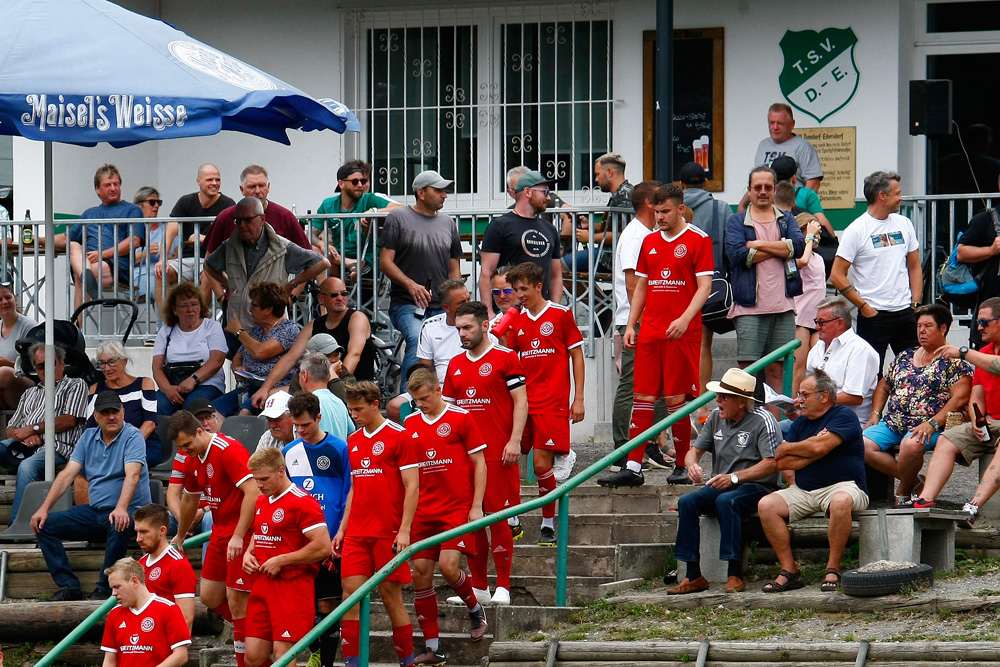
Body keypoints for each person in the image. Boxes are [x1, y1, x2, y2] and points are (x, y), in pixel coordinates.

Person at [599, 183, 713, 489]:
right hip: (650, 330)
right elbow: (641, 287)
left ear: (679, 209)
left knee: (677, 399)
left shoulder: (698, 239)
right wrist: (632, 325)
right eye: (656, 211)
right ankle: (633, 466)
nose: (659, 217)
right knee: (642, 397)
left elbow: (704, 287)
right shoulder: (648, 241)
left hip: (681, 332)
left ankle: (680, 465)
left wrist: (685, 318)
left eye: (665, 211)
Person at [442, 300, 527, 606]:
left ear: (485, 326)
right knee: (471, 519)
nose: (462, 334)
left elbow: (521, 401)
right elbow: (448, 412)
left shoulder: (506, 358)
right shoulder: (454, 364)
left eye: (467, 327)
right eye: (458, 329)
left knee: (498, 517)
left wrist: (514, 440)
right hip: (465, 457)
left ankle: (502, 585)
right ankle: (479, 586)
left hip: (498, 453)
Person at [667, 368, 780, 595]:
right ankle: (693, 574)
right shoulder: (716, 418)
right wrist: (693, 465)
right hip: (722, 483)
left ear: (741, 402)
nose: (717, 400)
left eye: (723, 397)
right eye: (718, 395)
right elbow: (693, 452)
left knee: (727, 501)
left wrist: (735, 477)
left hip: (759, 486)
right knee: (687, 502)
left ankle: (735, 572)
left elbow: (773, 463)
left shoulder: (763, 419)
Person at [31, 390, 152, 601]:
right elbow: (68, 473)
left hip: (130, 511)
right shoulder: (88, 436)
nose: (111, 416)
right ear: (96, 417)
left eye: (115, 411)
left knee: (118, 522)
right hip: (95, 511)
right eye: (105, 412)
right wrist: (43, 509)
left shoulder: (133, 436)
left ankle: (104, 588)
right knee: (44, 524)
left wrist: (122, 507)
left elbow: (133, 475)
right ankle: (69, 587)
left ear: (123, 412)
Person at [404, 367, 489, 665]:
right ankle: (433, 647)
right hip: (423, 511)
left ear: (438, 390)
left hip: (455, 508)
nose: (420, 404)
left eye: (424, 398)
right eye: (415, 400)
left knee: (449, 567)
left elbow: (480, 462)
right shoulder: (410, 422)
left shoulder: (460, 417)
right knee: (420, 575)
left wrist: (476, 505)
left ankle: (475, 608)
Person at [757, 370, 869, 593]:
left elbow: (817, 447)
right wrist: (811, 447)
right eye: (799, 394)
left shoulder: (843, 415)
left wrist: (798, 447)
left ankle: (833, 568)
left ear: (824, 396)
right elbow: (783, 460)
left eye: (804, 395)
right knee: (766, 505)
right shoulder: (800, 424)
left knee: (840, 501)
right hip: (804, 489)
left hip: (845, 485)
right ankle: (790, 571)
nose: (798, 400)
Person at [336, 381, 419, 667]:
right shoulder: (354, 440)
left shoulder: (400, 436)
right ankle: (353, 664)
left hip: (388, 532)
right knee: (350, 597)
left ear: (375, 404)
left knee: (390, 597)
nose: (354, 415)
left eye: (358, 409)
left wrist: (405, 529)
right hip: (358, 532)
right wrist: (343, 528)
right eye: (350, 410)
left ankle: (406, 662)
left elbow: (412, 486)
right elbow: (355, 487)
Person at [168, 410, 260, 667]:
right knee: (208, 596)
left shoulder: (229, 449)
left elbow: (253, 492)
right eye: (180, 447)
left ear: (200, 431)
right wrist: (180, 536)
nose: (186, 451)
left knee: (236, 600)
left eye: (187, 444)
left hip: (244, 532)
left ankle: (251, 656)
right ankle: (261, 631)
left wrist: (239, 536)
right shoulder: (190, 457)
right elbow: (189, 500)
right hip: (221, 531)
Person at [506, 262, 585, 546]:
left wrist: (578, 398)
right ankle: (512, 516)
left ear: (539, 286)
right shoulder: (517, 320)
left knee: (540, 464)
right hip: (522, 403)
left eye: (523, 288)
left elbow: (576, 355)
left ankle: (548, 522)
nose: (519, 294)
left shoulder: (561, 315)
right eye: (515, 290)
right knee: (508, 457)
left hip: (552, 402)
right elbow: (508, 357)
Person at [863, 305, 973, 504]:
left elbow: (961, 398)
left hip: (930, 424)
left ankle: (903, 490)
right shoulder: (905, 356)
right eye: (919, 326)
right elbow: (883, 386)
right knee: (861, 445)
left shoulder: (955, 362)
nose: (921, 331)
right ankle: (915, 482)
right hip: (894, 422)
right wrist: (876, 413)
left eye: (928, 326)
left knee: (911, 445)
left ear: (943, 328)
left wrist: (931, 423)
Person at [242, 447, 330, 667]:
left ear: (281, 471)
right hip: (263, 583)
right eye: (255, 480)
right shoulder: (263, 500)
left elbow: (323, 547)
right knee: (252, 656)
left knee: (284, 654)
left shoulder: (302, 502)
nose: (259, 485)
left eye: (264, 478)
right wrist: (249, 553)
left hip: (292, 585)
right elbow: (261, 531)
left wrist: (282, 560)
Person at [204, 196, 328, 350]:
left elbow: (322, 263)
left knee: (268, 366)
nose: (242, 225)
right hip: (238, 320)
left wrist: (292, 285)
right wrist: (229, 285)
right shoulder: (229, 246)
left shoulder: (282, 247)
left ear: (262, 219)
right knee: (240, 368)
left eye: (248, 220)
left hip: (271, 325)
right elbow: (208, 265)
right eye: (238, 221)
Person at [912, 298, 1000, 516]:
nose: (978, 327)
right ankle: (925, 500)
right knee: (947, 438)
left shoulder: (977, 355)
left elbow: (997, 366)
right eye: (977, 322)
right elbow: (976, 394)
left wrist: (963, 352)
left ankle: (973, 507)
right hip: (991, 421)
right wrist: (976, 418)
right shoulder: (985, 351)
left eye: (984, 322)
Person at [282, 392, 351, 667]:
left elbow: (348, 495)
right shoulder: (289, 452)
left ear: (319, 418)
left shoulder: (339, 449)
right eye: (296, 426)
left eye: (306, 425)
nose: (301, 431)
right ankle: (316, 651)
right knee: (302, 605)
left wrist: (339, 534)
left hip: (330, 541)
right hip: (298, 544)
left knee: (327, 605)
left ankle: (327, 663)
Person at [725, 166, 805, 404]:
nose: (762, 192)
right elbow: (738, 255)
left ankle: (776, 431)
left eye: (767, 187)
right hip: (749, 308)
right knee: (746, 374)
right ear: (748, 191)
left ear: (775, 190)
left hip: (783, 307)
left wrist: (757, 243)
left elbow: (798, 248)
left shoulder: (787, 219)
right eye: (757, 187)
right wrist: (781, 248)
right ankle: (745, 432)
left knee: (778, 372)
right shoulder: (737, 221)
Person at [831, 171, 922, 370]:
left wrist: (915, 303)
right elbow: (837, 275)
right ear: (882, 195)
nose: (901, 198)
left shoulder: (904, 223)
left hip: (905, 312)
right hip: (874, 315)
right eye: (897, 193)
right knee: (870, 375)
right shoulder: (856, 230)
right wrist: (863, 307)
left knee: (915, 371)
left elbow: (914, 266)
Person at [379, 169, 463, 386]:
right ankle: (410, 402)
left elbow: (454, 267)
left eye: (445, 191)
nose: (445, 195)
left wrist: (460, 297)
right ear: (421, 193)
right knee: (418, 340)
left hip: (443, 304)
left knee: (460, 340)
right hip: (407, 304)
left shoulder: (448, 223)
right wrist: (411, 285)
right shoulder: (398, 217)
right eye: (439, 190)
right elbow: (385, 262)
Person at [253, 275, 376, 409]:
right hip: (320, 385)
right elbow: (290, 358)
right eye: (334, 295)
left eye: (344, 293)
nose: (340, 298)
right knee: (271, 396)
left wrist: (335, 383)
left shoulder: (357, 318)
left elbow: (354, 354)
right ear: (321, 299)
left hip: (352, 384)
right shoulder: (314, 325)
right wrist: (264, 388)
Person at [609, 181, 666, 468]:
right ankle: (622, 450)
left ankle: (650, 443)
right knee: (631, 386)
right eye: (660, 200)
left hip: (648, 320)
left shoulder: (650, 234)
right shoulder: (634, 237)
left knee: (659, 385)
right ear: (648, 203)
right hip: (636, 321)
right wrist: (639, 323)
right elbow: (633, 286)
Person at [0, 343, 87, 523]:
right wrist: (24, 434)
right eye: (41, 366)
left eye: (51, 363)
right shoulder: (29, 393)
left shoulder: (75, 385)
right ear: (35, 369)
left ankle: (19, 529)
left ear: (62, 364)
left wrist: (34, 429)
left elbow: (69, 420)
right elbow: (10, 429)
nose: (46, 369)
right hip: (23, 446)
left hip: (58, 448)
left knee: (27, 467)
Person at [678, 163, 733, 420]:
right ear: (706, 183)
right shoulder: (720, 208)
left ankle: (678, 408)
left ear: (681, 185)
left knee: (677, 348)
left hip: (674, 286)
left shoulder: (672, 207)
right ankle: (701, 407)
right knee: (703, 345)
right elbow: (730, 249)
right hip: (708, 286)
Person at [385, 279, 477, 422]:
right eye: (461, 302)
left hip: (469, 386)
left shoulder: (480, 325)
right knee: (394, 406)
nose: (468, 305)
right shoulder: (430, 326)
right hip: (437, 387)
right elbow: (425, 370)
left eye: (468, 299)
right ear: (446, 307)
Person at [478, 170, 562, 316]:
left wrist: (554, 309)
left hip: (540, 310)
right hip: (509, 311)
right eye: (545, 191)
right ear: (528, 192)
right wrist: (489, 311)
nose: (548, 198)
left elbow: (556, 275)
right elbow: (486, 273)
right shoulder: (500, 226)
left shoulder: (550, 229)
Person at [220, 281, 302, 416]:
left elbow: (261, 352)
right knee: (212, 410)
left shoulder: (288, 330)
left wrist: (239, 332)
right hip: (248, 387)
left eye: (254, 305)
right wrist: (236, 368)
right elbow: (239, 355)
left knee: (245, 411)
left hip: (275, 388)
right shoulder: (257, 330)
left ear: (268, 310)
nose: (251, 309)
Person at [69, 164, 145, 309]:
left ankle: (77, 329)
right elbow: (65, 238)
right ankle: (87, 277)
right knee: (73, 244)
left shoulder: (132, 209)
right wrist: (37, 240)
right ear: (97, 189)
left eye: (116, 184)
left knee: (80, 278)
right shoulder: (89, 213)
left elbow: (134, 241)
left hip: (117, 265)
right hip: (90, 263)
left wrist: (102, 254)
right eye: (107, 185)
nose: (113, 188)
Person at [313, 159, 402, 279]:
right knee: (314, 252)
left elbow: (402, 209)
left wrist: (373, 211)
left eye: (363, 181)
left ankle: (334, 289)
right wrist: (322, 244)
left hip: (366, 261)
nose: (361, 185)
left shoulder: (370, 199)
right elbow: (311, 234)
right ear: (341, 184)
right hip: (338, 259)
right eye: (355, 181)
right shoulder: (328, 205)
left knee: (330, 269)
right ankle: (331, 292)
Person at [159, 163, 236, 297]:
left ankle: (201, 317)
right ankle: (167, 318)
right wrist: (162, 260)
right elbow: (170, 233)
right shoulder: (185, 202)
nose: (215, 183)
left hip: (214, 260)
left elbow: (232, 239)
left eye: (217, 180)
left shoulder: (228, 204)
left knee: (208, 274)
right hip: (186, 259)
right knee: (160, 274)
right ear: (198, 181)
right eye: (210, 180)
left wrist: (206, 240)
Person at [804, 297, 880, 429]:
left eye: (822, 322)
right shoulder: (817, 348)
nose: (817, 327)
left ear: (840, 323)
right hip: (814, 418)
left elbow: (854, 397)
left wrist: (813, 401)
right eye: (816, 321)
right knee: (775, 431)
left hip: (846, 423)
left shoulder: (860, 350)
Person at [152, 282, 228, 415]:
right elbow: (157, 367)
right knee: (159, 406)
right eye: (184, 306)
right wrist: (167, 389)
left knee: (193, 405)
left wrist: (194, 379)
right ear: (174, 310)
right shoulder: (165, 331)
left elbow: (217, 360)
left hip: (206, 382)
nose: (190, 310)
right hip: (174, 383)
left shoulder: (212, 327)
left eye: (194, 304)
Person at [100, 557, 191, 667]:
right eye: (112, 588)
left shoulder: (167, 609)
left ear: (134, 581)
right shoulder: (115, 614)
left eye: (117, 587)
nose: (113, 593)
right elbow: (109, 661)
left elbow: (181, 655)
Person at [202, 165, 311, 255]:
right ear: (242, 189)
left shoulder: (285, 216)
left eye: (262, 186)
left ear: (268, 187)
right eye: (252, 186)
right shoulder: (225, 217)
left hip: (276, 281)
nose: (258, 191)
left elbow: (309, 257)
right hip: (233, 279)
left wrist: (294, 282)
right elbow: (209, 263)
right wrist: (224, 281)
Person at [86, 341, 161, 467]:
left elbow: (150, 424)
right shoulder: (95, 389)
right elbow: (92, 427)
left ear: (124, 361)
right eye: (102, 363)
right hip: (106, 446)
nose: (107, 368)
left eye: (111, 362)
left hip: (142, 444)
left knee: (123, 464)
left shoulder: (144, 384)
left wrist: (125, 447)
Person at [561, 153, 633, 273]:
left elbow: (623, 234)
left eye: (598, 174)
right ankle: (592, 292)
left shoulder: (624, 196)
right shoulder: (621, 193)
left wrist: (589, 237)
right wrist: (589, 225)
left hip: (611, 257)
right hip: (607, 254)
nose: (596, 179)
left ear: (609, 172)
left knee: (560, 265)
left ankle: (591, 293)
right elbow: (612, 227)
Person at [133, 503, 198, 630]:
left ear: (162, 531)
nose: (138, 539)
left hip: (164, 645)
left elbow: (186, 618)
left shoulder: (178, 564)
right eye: (137, 532)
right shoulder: (140, 564)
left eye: (144, 532)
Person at [165, 398, 219, 542]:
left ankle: (207, 564)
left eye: (209, 417)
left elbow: (231, 497)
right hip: (187, 513)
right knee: (154, 522)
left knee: (210, 519)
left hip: (214, 512)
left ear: (217, 419)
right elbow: (172, 494)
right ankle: (152, 565)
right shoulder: (184, 453)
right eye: (200, 419)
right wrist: (182, 518)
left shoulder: (224, 449)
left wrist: (203, 511)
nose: (206, 423)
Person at [955, 176, 1000, 348]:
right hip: (991, 308)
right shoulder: (986, 218)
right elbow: (962, 252)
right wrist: (992, 250)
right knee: (987, 365)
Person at [791, 213, 825, 395]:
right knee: (799, 368)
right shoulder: (796, 256)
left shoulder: (818, 258)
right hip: (800, 319)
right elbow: (802, 262)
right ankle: (792, 409)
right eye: (813, 232)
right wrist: (808, 237)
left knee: (818, 366)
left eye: (818, 232)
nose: (817, 236)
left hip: (818, 320)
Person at [753, 103, 823, 192]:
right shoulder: (763, 145)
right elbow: (756, 180)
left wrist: (796, 204)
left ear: (792, 124)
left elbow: (813, 183)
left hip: (791, 202)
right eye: (771, 123)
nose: (775, 127)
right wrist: (742, 204)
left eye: (780, 123)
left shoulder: (803, 147)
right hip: (765, 203)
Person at [295, 352, 354, 441]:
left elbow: (299, 445)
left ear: (304, 375)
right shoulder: (339, 402)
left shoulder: (305, 405)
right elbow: (352, 434)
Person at [132, 187, 175, 303]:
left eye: (158, 202)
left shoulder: (167, 229)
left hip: (167, 275)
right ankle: (166, 322)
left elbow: (176, 256)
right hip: (140, 276)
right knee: (159, 288)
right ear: (139, 206)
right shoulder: (132, 229)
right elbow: (121, 260)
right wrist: (145, 253)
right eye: (152, 202)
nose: (156, 206)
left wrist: (166, 256)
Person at [0, 281, 39, 410]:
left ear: (15, 299)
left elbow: (38, 368)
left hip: (30, 386)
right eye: (0, 299)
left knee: (4, 373)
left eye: (8, 297)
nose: (4, 302)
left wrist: (9, 364)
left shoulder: (29, 327)